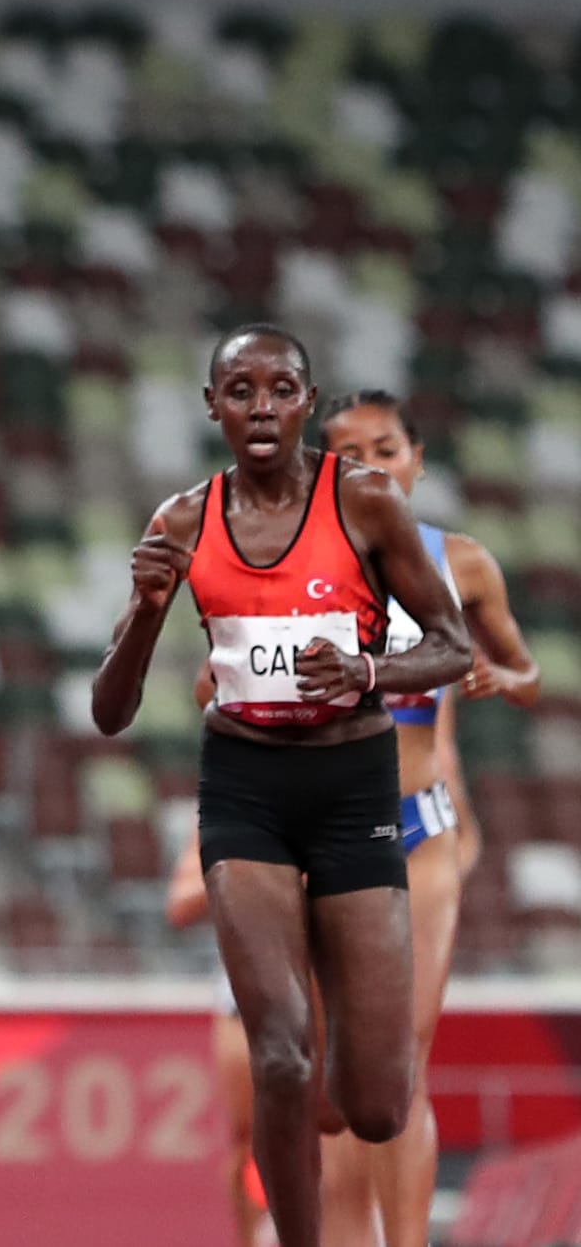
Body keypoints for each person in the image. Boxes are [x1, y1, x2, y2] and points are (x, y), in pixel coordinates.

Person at [90, 325, 471, 1247]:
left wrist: (366, 674)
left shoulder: (367, 504)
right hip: (246, 789)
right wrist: (146, 613)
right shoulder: (182, 520)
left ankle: (351, 1051)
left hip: (351, 787)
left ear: (307, 402)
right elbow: (111, 710)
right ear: (213, 407)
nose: (261, 407)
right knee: (281, 1053)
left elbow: (453, 647)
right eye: (240, 389)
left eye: (282, 389)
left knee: (373, 1105)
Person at [314, 390, 539, 1247]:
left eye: (388, 447)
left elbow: (529, 676)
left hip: (420, 831)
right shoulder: (286, 564)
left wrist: (495, 678)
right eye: (351, 452)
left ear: (417, 459)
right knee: (338, 1085)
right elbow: (205, 684)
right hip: (322, 831)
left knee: (400, 1066)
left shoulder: (464, 564)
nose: (374, 464)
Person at [168, 825, 269, 1247]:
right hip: (247, 992)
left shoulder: (335, 794)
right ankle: (251, 1236)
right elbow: (180, 905)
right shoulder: (223, 813)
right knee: (246, 1139)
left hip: (325, 984)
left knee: (334, 1133)